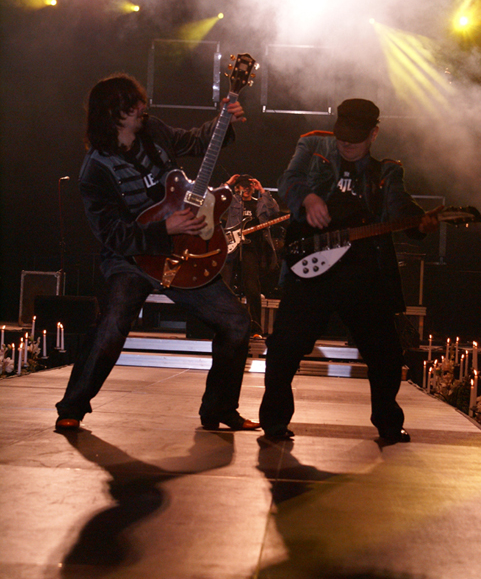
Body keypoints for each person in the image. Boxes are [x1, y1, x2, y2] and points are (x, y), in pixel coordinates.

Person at [55, 73, 260, 432]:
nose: (142, 107)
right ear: (113, 115)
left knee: (236, 323)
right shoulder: (96, 170)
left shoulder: (153, 130)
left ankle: (220, 409)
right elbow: (112, 234)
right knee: (112, 324)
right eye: (132, 105)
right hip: (132, 258)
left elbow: (195, 141)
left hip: (183, 251)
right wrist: (164, 229)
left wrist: (224, 118)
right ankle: (72, 406)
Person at [259, 98, 439, 443]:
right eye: (342, 137)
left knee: (385, 354)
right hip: (311, 270)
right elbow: (289, 179)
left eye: (355, 139)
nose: (346, 144)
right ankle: (275, 421)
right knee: (284, 347)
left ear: (374, 134)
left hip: (363, 275)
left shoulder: (386, 172)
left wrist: (421, 223)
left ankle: (388, 423)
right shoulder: (313, 146)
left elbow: (400, 207)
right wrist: (308, 198)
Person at [222, 175, 279, 338]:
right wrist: (227, 184)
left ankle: (255, 327)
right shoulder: (232, 201)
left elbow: (274, 210)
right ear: (237, 188)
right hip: (231, 248)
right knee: (226, 286)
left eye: (249, 186)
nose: (246, 188)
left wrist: (262, 190)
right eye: (242, 186)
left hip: (251, 250)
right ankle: (224, 325)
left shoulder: (259, 203)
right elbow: (214, 200)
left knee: (252, 288)